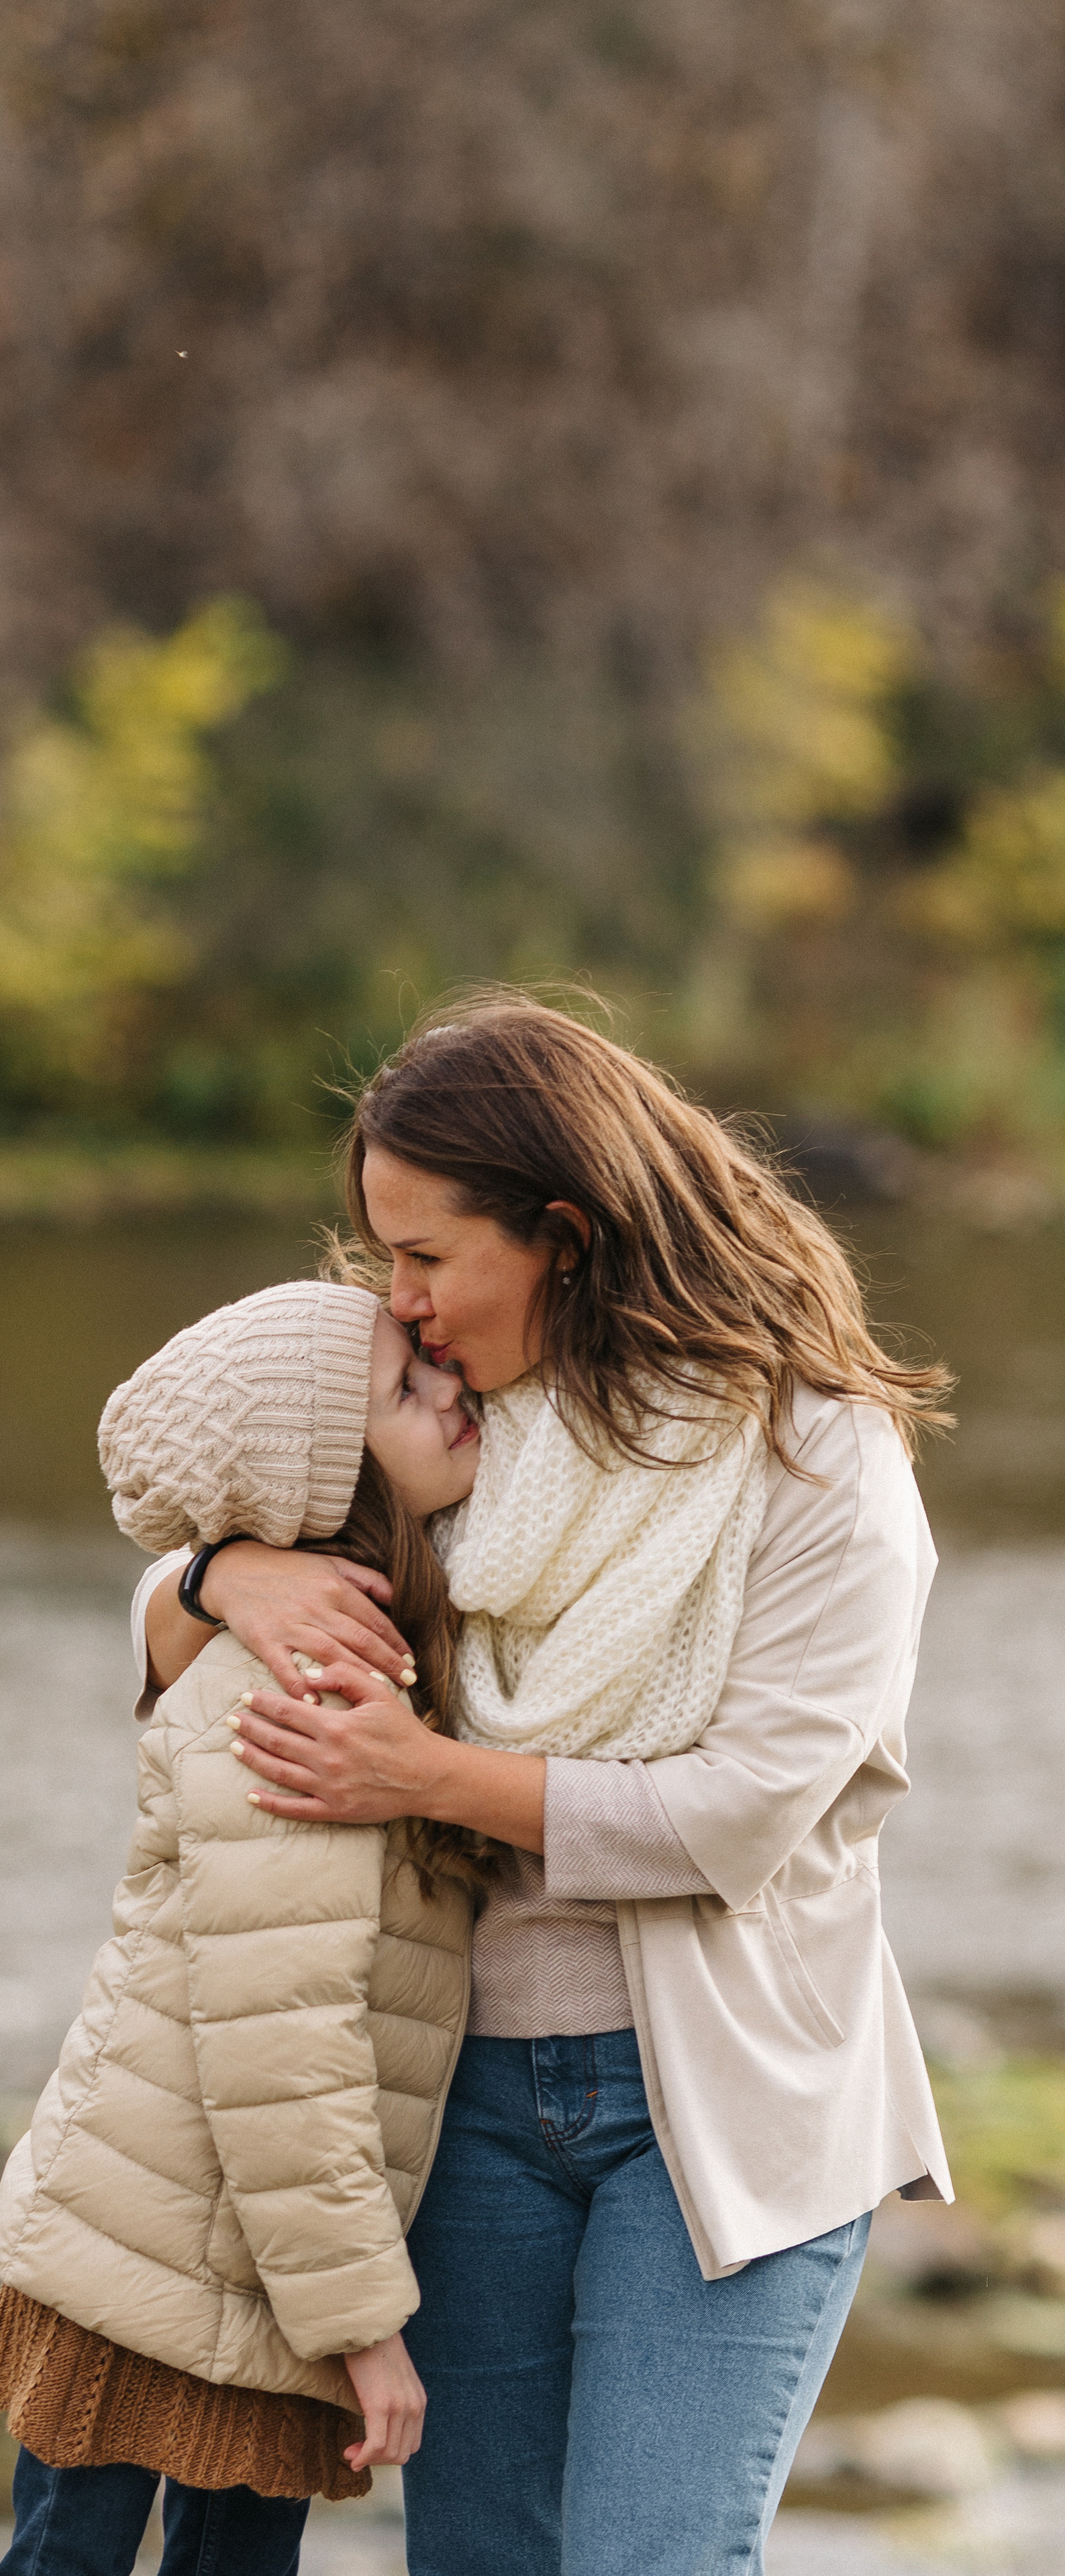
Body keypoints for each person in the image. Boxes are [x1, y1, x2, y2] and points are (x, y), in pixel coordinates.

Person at [136, 993, 956, 2576]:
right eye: (384, 1256)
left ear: (563, 1237)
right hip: (458, 2106)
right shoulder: (437, 1421)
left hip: (722, 2108)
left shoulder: (817, 1459)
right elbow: (157, 1626)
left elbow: (738, 1813)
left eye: (427, 1257)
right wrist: (226, 1573)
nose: (398, 1301)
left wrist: (426, 1774)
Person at [0, 1277, 497, 2576]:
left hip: (250, 2266)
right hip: (155, 2252)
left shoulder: (368, 1646)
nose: (452, 1389)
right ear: (331, 1485)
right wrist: (364, 2325)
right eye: (406, 1390)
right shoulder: (308, 1687)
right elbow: (278, 2040)